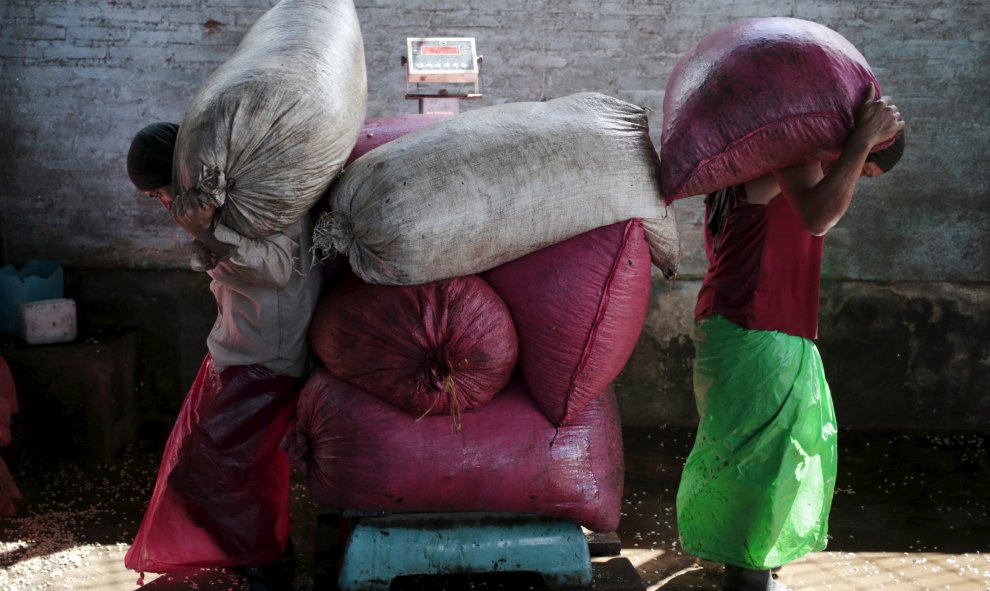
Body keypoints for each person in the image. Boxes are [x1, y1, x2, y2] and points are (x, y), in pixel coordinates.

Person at [675, 85, 905, 591]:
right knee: (768, 455)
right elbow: (819, 217)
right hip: (756, 325)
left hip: (742, 326)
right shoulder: (792, 159)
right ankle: (749, 576)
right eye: (865, 171)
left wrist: (855, 154)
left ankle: (746, 565)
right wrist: (861, 142)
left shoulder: (748, 169)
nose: (856, 180)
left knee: (753, 450)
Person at [123, 122, 322, 591]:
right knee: (239, 468)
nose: (164, 204)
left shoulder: (256, 195)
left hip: (268, 356)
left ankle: (263, 568)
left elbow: (274, 269)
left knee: (209, 471)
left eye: (160, 193)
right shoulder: (227, 198)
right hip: (243, 348)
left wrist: (211, 231)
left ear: (181, 173)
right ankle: (265, 560)